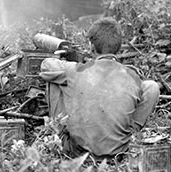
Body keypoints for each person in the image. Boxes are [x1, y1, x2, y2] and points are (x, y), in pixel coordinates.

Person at [39, 17, 160, 162]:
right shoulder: (131, 75)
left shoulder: (76, 70)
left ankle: (56, 138)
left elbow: (46, 66)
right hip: (119, 152)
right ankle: (130, 135)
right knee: (152, 86)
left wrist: (69, 59)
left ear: (91, 47)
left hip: (79, 152)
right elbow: (149, 90)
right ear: (119, 48)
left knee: (54, 79)